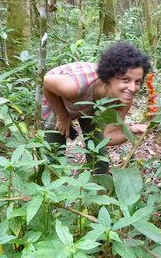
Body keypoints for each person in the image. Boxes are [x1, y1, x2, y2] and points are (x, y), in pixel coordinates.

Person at [42, 41, 151, 174]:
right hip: (58, 100)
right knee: (53, 153)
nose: (133, 88)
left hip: (91, 106)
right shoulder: (73, 86)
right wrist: (63, 117)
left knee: (99, 153)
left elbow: (108, 136)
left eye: (137, 81)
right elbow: (46, 82)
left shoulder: (125, 99)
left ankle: (98, 187)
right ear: (109, 77)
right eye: (125, 80)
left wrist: (131, 131)